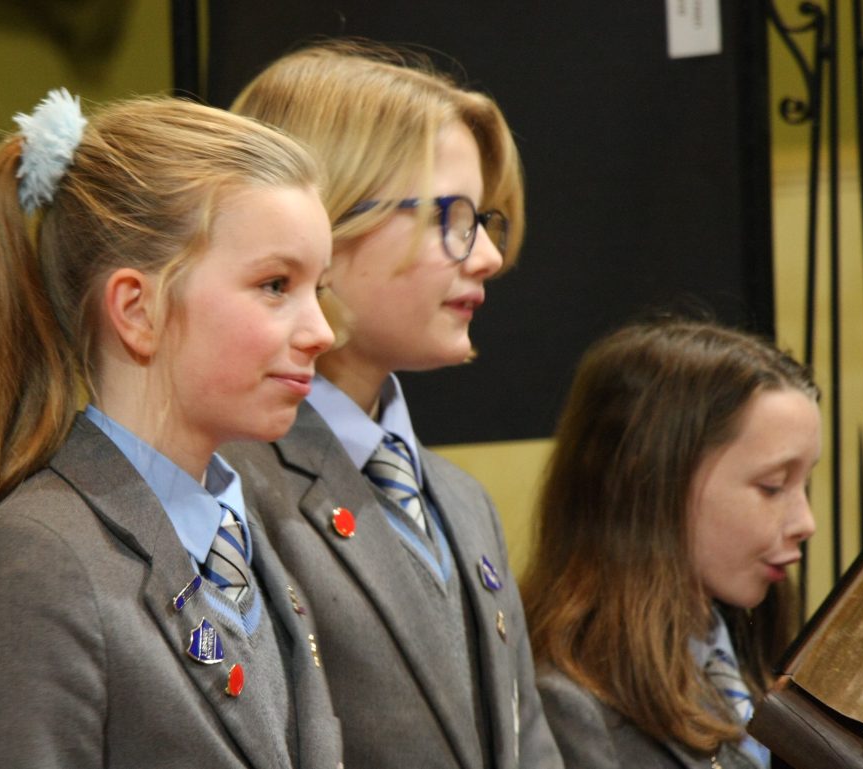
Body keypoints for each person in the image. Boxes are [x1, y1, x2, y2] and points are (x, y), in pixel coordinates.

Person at [0, 88, 342, 769]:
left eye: (320, 287)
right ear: (137, 309)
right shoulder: (30, 566)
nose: (320, 331)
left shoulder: (243, 534)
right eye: (276, 284)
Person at [221, 40, 563, 769]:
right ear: (324, 220)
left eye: (485, 221)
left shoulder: (464, 504)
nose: (488, 257)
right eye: (451, 216)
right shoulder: (224, 490)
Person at [520, 318, 821, 769]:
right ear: (651, 481)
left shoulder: (753, 659)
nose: (806, 522)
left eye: (806, 483)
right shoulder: (571, 708)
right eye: (773, 486)